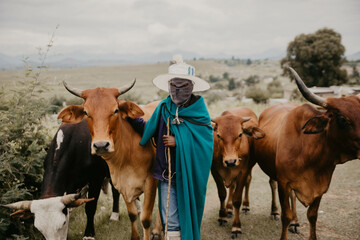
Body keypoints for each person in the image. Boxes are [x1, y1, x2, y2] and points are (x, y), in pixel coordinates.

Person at [128, 55, 213, 240]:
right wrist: (129, 116)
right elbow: (148, 128)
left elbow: (205, 144)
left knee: (184, 217)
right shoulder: (164, 107)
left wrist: (179, 141)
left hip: (188, 176)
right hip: (166, 174)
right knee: (170, 220)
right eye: (174, 85)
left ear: (191, 86)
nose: (177, 90)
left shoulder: (199, 112)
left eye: (183, 86)